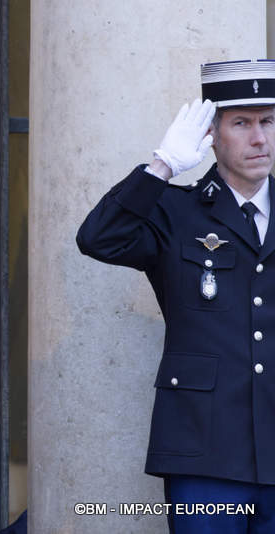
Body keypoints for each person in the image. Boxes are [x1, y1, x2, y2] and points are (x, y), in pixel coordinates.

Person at [77, 59, 275, 532]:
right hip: (204, 452)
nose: (259, 139)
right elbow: (98, 238)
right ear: (211, 133)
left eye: (268, 122)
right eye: (242, 123)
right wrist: (161, 166)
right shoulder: (176, 211)